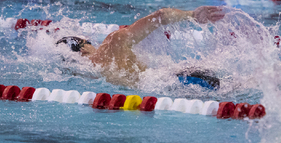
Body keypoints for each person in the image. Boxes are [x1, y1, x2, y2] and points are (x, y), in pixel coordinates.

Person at [55, 6, 225, 87]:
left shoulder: (84, 76)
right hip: (177, 81)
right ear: (83, 49)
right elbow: (160, 16)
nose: (94, 43)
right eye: (89, 42)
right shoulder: (113, 42)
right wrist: (192, 14)